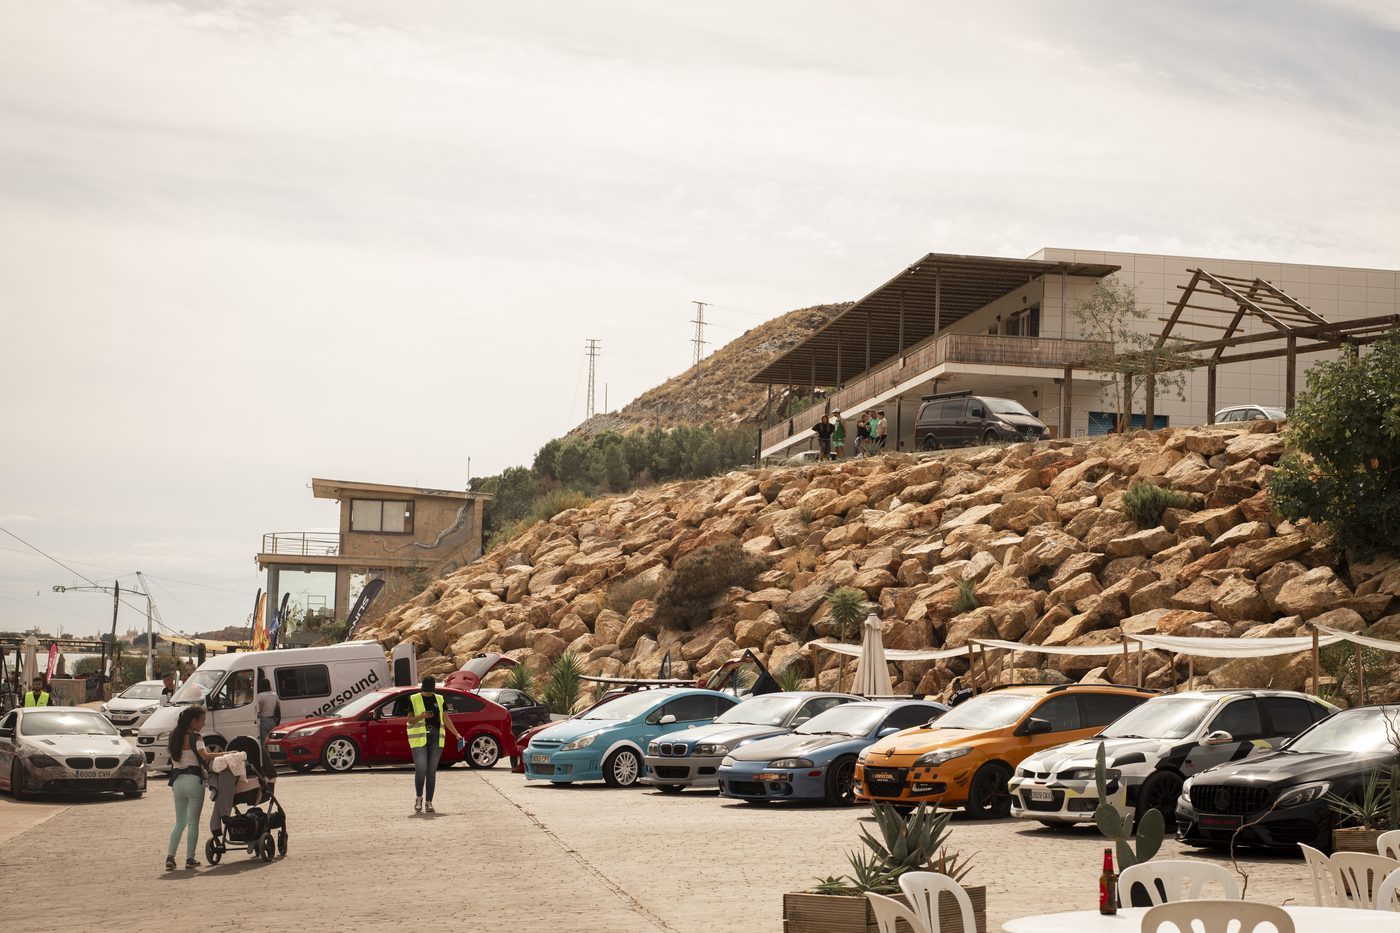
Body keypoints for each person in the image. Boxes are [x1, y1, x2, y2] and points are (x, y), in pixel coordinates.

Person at [165, 705, 221, 870]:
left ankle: (170, 857)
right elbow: (205, 756)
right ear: (193, 721)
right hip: (193, 781)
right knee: (193, 823)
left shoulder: (174, 736)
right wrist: (224, 753)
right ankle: (190, 858)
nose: (203, 724)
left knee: (179, 822)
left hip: (177, 782)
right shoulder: (196, 738)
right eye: (201, 720)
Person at [406, 675, 464, 813]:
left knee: (431, 771)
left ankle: (429, 802)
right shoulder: (414, 699)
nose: (428, 694)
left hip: (436, 737)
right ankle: (419, 798)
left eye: (430, 691)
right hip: (419, 738)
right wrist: (422, 716)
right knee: (421, 769)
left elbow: (446, 719)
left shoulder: (439, 699)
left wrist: (456, 734)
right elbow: (409, 721)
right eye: (426, 691)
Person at [254, 674, 279, 745]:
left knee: (264, 742)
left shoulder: (260, 696)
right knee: (272, 741)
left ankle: (265, 752)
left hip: (264, 720)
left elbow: (259, 710)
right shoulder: (275, 694)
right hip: (273, 720)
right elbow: (278, 707)